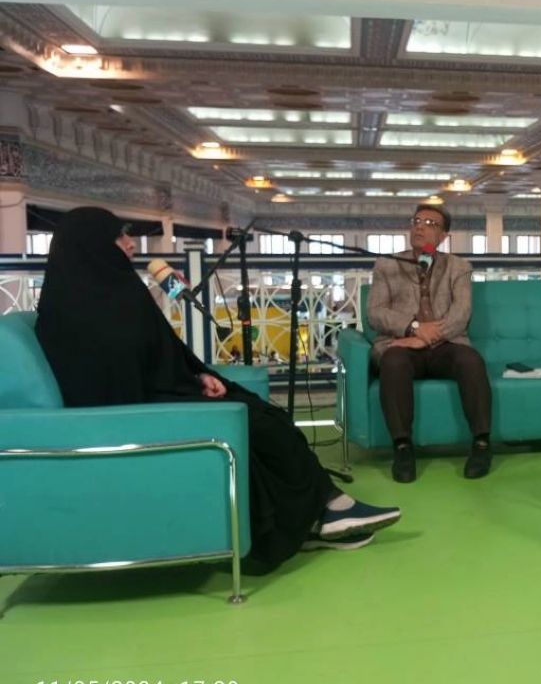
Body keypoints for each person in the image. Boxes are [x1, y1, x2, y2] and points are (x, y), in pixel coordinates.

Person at [34, 207, 401, 569]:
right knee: (257, 423)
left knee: (261, 411)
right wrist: (178, 392)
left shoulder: (120, 290)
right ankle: (321, 513)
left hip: (158, 396)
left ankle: (323, 509)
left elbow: (159, 352)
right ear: (92, 246)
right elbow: (111, 382)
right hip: (135, 416)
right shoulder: (68, 313)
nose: (131, 244)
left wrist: (197, 376)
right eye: (120, 237)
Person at [367, 205, 493, 483]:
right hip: (403, 344)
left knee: (470, 360)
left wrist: (425, 336)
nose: (420, 227)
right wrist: (413, 328)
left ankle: (482, 444)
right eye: (417, 221)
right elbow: (375, 312)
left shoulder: (459, 267)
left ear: (444, 235)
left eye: (430, 223)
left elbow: (461, 313)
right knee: (393, 360)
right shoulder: (386, 265)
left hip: (444, 344)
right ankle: (402, 448)